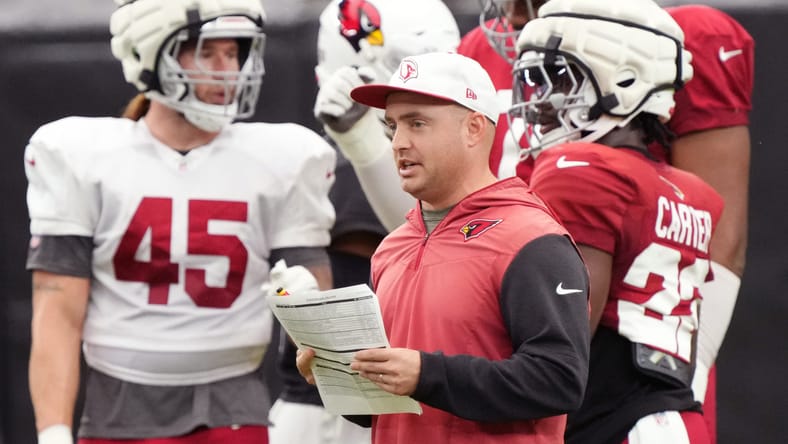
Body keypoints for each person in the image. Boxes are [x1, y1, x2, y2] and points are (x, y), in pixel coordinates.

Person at [24, 0, 336, 443]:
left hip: (233, 408)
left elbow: (316, 310)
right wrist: (53, 433)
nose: (227, 70)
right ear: (152, 52)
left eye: (235, 53)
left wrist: (305, 303)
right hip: (117, 411)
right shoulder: (83, 156)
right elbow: (58, 312)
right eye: (208, 52)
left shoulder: (283, 159)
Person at [464, 2, 754, 441]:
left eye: (558, 78)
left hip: (604, 409)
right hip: (666, 409)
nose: (538, 99)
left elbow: (563, 332)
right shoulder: (689, 192)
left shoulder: (578, 166)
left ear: (623, 79)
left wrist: (436, 369)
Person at [298, 51, 590, 444]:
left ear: (473, 129)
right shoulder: (392, 247)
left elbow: (560, 380)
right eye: (392, 126)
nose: (399, 143)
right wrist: (338, 376)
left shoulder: (532, 239)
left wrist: (426, 373)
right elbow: (391, 411)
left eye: (417, 123)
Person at [655, 7, 754, 443]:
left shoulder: (682, 38)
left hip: (635, 349)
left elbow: (718, 235)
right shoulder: (477, 52)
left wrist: (685, 372)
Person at [312, 0, 461, 231]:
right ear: (357, 69)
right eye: (417, 63)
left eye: (449, 60)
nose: (440, 81)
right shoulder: (349, 181)